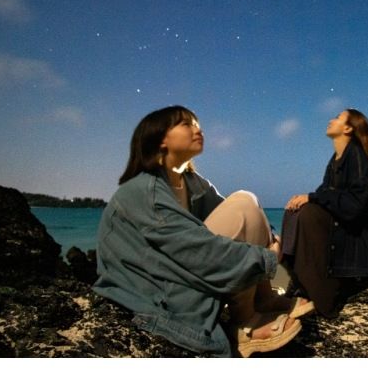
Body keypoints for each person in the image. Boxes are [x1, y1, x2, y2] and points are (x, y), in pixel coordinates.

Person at [93, 105, 312, 357]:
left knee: (246, 201)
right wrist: (268, 259)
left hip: (182, 266)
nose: (198, 129)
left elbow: (236, 219)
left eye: (197, 123)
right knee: (242, 202)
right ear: (160, 138)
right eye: (187, 124)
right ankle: (245, 321)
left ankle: (261, 300)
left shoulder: (193, 183)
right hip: (158, 286)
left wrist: (270, 235)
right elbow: (199, 249)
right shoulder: (144, 191)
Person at [282, 109, 368, 318]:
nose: (331, 120)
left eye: (338, 117)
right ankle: (300, 281)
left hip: (358, 242)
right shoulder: (336, 159)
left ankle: (323, 297)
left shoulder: (356, 156)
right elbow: (325, 193)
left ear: (348, 128)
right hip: (341, 229)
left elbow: (354, 207)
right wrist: (307, 198)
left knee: (309, 213)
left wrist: (313, 198)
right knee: (295, 210)